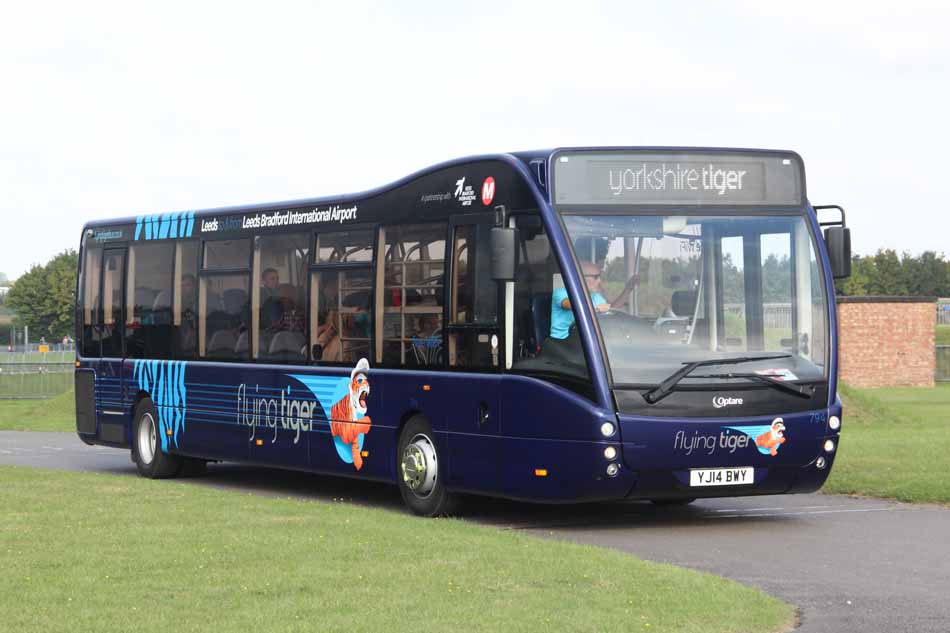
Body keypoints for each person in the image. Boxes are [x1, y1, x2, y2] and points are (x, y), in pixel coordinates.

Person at [550, 261, 638, 339]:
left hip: (583, 343)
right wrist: (597, 309)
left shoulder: (595, 296)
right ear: (580, 278)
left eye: (600, 277)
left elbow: (611, 309)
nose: (600, 281)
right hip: (561, 344)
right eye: (596, 277)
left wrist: (628, 289)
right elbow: (574, 306)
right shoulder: (561, 293)